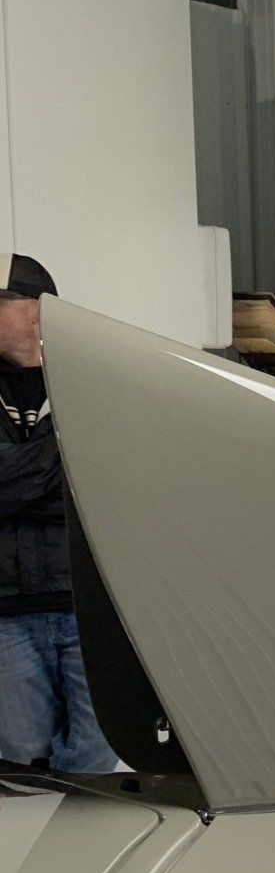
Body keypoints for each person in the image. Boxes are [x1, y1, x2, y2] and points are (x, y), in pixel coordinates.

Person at [0, 257, 116, 775]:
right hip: (6, 612)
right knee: (20, 764)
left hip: (91, 606)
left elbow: (106, 485)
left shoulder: (94, 382)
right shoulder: (88, 397)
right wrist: (62, 455)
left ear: (35, 312)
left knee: (97, 758)